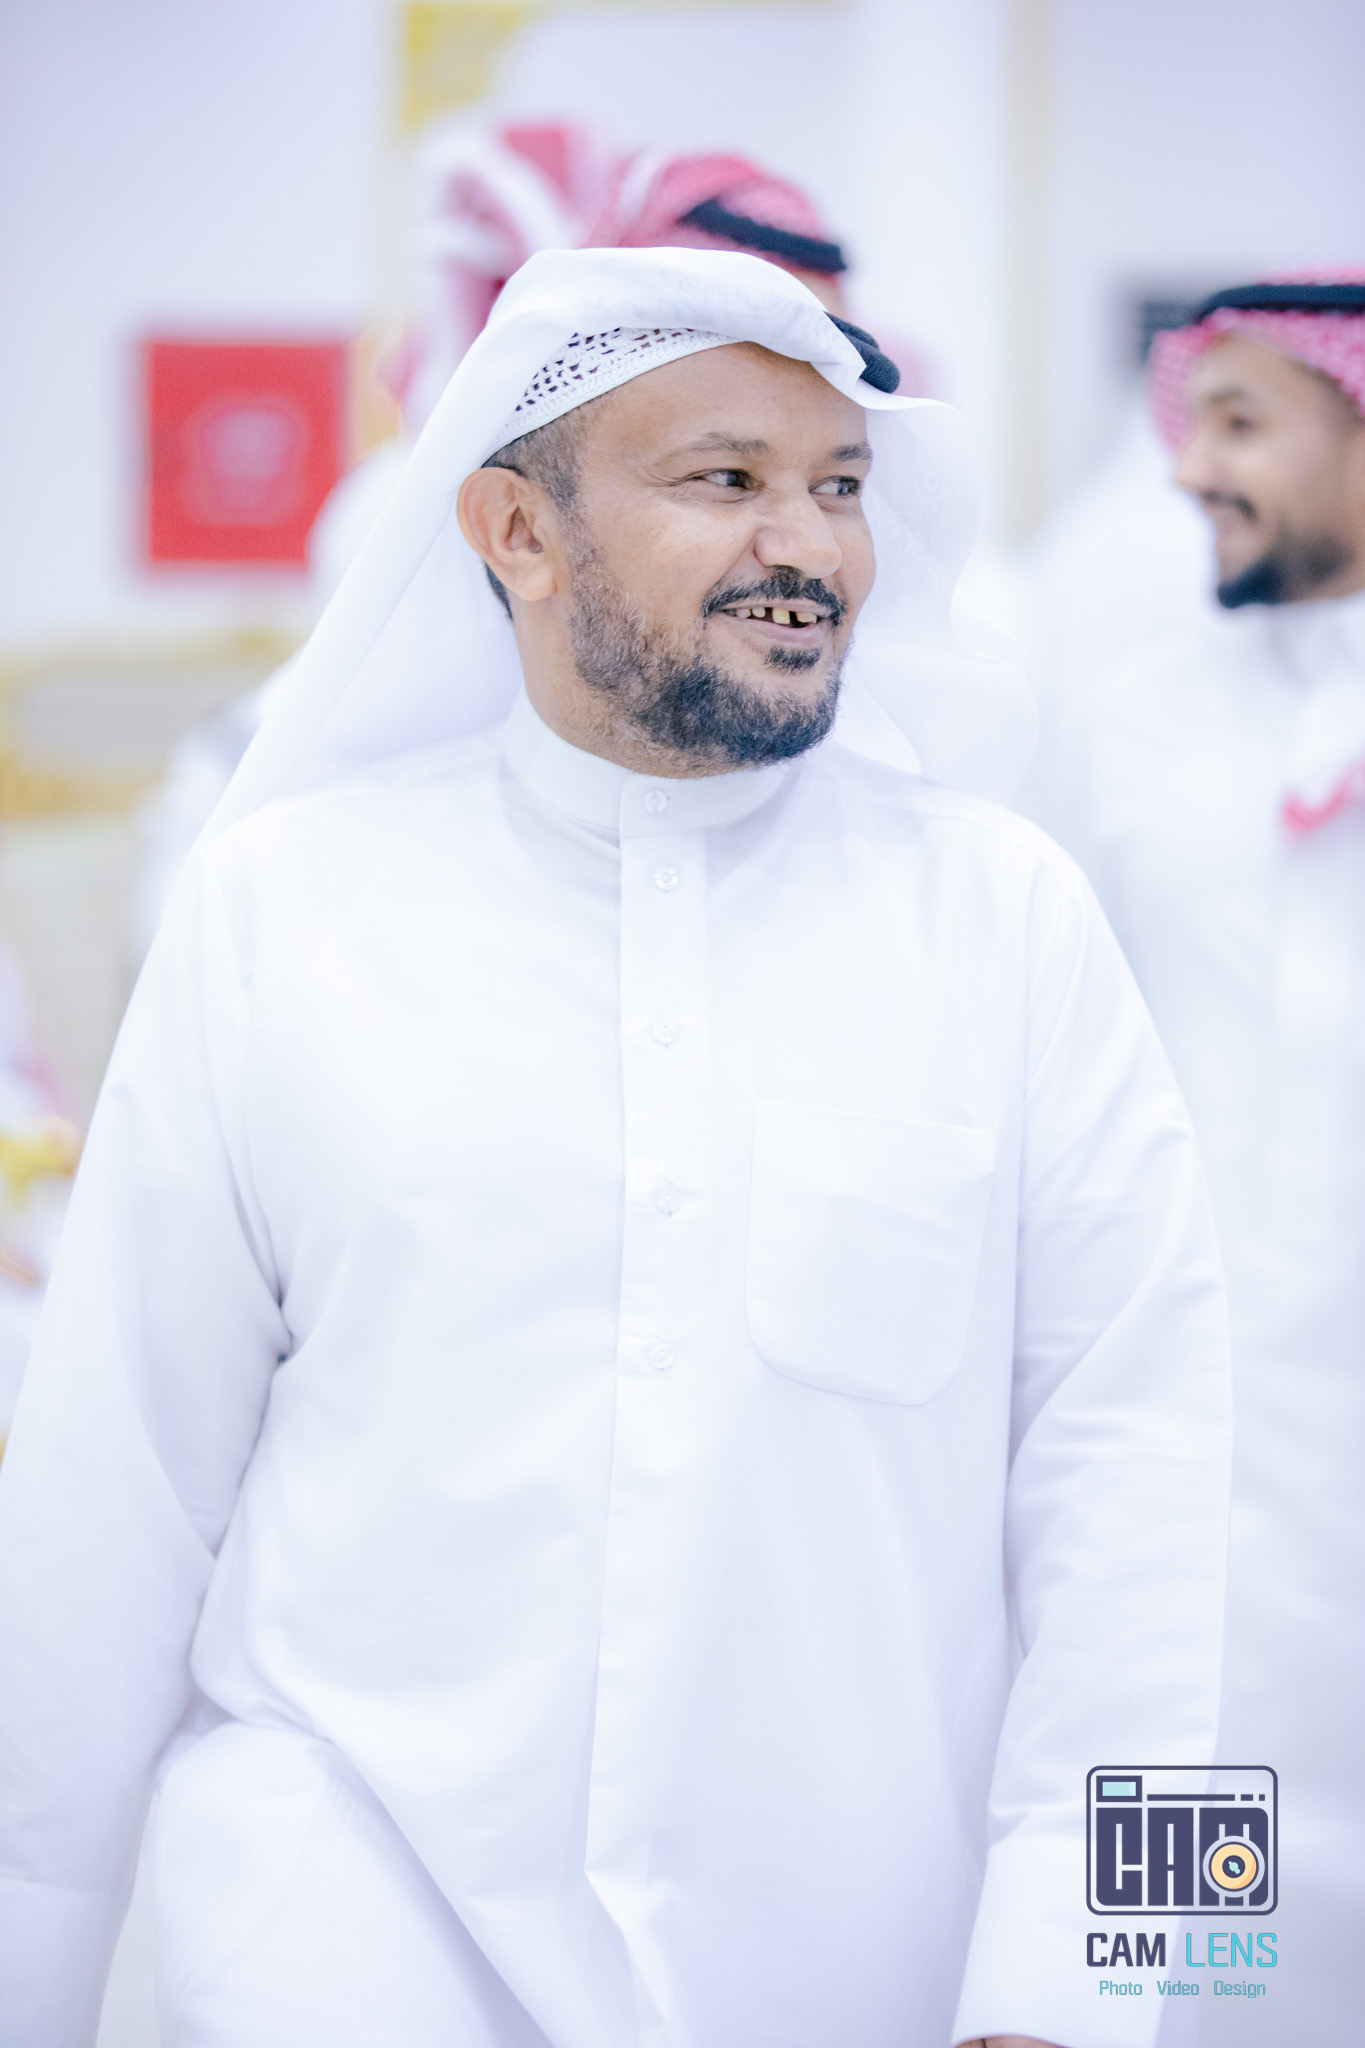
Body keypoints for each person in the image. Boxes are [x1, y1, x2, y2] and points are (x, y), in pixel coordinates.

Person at [0, 245, 1230, 2048]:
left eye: (838, 487)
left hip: (852, 1956)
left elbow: (1146, 1497)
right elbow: (113, 1488)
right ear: (515, 530)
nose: (807, 547)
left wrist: (1092, 1995)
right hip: (342, 1911)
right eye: (724, 479)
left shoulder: (1004, 920)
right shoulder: (285, 908)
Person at [1041, 270, 1365, 2043]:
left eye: (1239, 424)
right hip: (1184, 1461)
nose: (1187, 470)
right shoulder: (1128, 723)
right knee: (1179, 1937)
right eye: (1186, 421)